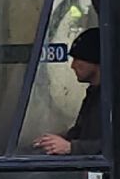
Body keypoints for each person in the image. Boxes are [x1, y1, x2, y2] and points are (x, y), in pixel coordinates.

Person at [34, 27, 103, 156]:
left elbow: (118, 144)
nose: (72, 66)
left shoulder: (114, 100)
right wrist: (54, 141)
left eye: (78, 59)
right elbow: (81, 132)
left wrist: (71, 148)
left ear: (95, 61)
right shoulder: (94, 94)